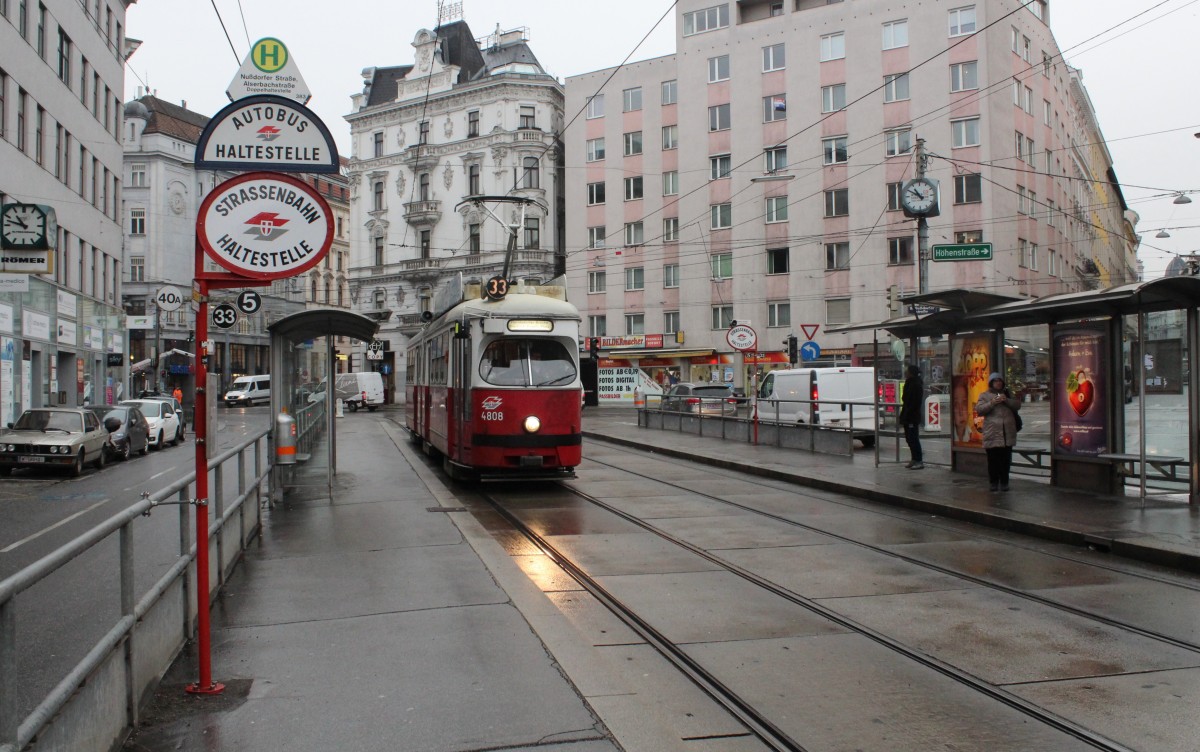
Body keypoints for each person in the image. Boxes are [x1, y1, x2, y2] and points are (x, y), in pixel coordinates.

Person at [975, 372, 1021, 491]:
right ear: (991, 383)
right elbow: (979, 410)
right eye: (995, 381)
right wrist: (992, 402)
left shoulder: (1007, 393)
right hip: (992, 433)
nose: (998, 383)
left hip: (1007, 433)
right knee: (993, 460)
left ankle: (1005, 482)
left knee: (1006, 460)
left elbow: (1017, 405)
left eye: (1000, 381)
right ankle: (994, 482)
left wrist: (1007, 400)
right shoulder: (984, 395)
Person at [898, 364, 924, 469]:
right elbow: (904, 398)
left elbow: (914, 401)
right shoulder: (909, 383)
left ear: (911, 372)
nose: (905, 372)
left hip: (912, 416)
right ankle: (914, 458)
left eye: (907, 371)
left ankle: (919, 460)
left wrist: (909, 411)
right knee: (909, 438)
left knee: (913, 438)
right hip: (907, 415)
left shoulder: (916, 384)